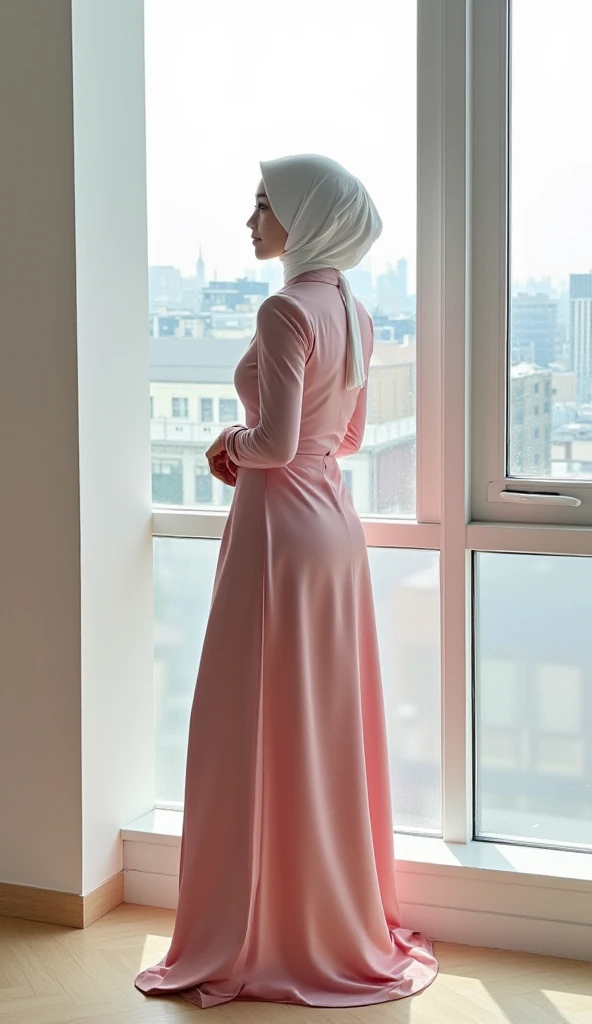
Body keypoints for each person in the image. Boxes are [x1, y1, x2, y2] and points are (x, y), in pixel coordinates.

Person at [134, 153, 439, 1008]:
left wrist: (229, 444)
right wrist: (269, 444)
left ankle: (264, 922)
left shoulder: (281, 310)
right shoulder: (357, 312)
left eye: (265, 203)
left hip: (277, 530)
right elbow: (343, 442)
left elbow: (268, 447)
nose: (251, 219)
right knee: (318, 717)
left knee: (254, 715)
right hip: (332, 525)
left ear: (305, 219)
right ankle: (323, 913)